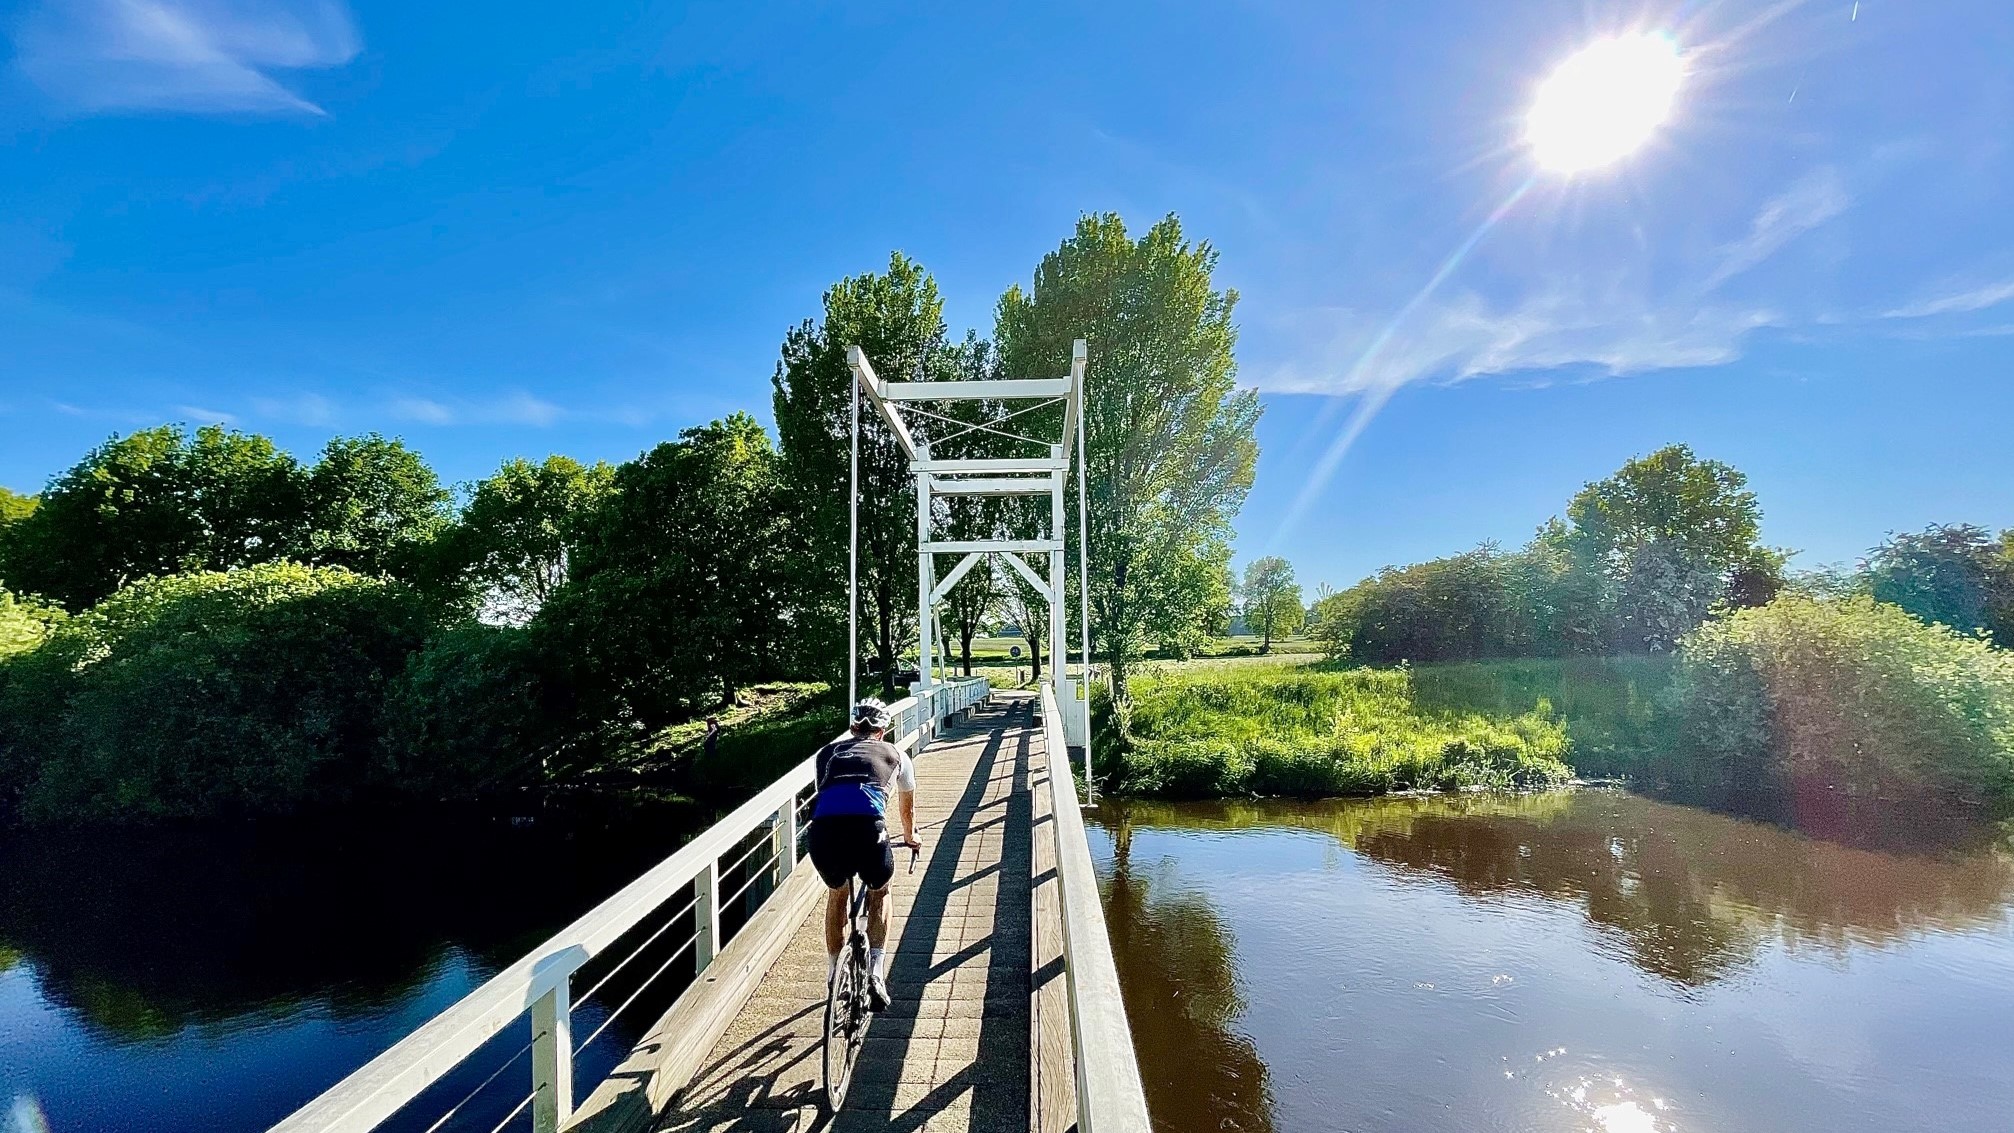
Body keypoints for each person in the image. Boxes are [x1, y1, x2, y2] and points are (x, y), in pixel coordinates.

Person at [807, 697, 921, 1010]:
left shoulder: (827, 754)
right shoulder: (897, 755)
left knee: (837, 893)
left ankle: (834, 973)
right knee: (880, 892)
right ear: (883, 731)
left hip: (824, 832)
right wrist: (910, 836)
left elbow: (827, 793)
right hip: (869, 831)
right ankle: (875, 971)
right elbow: (905, 808)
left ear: (852, 727)